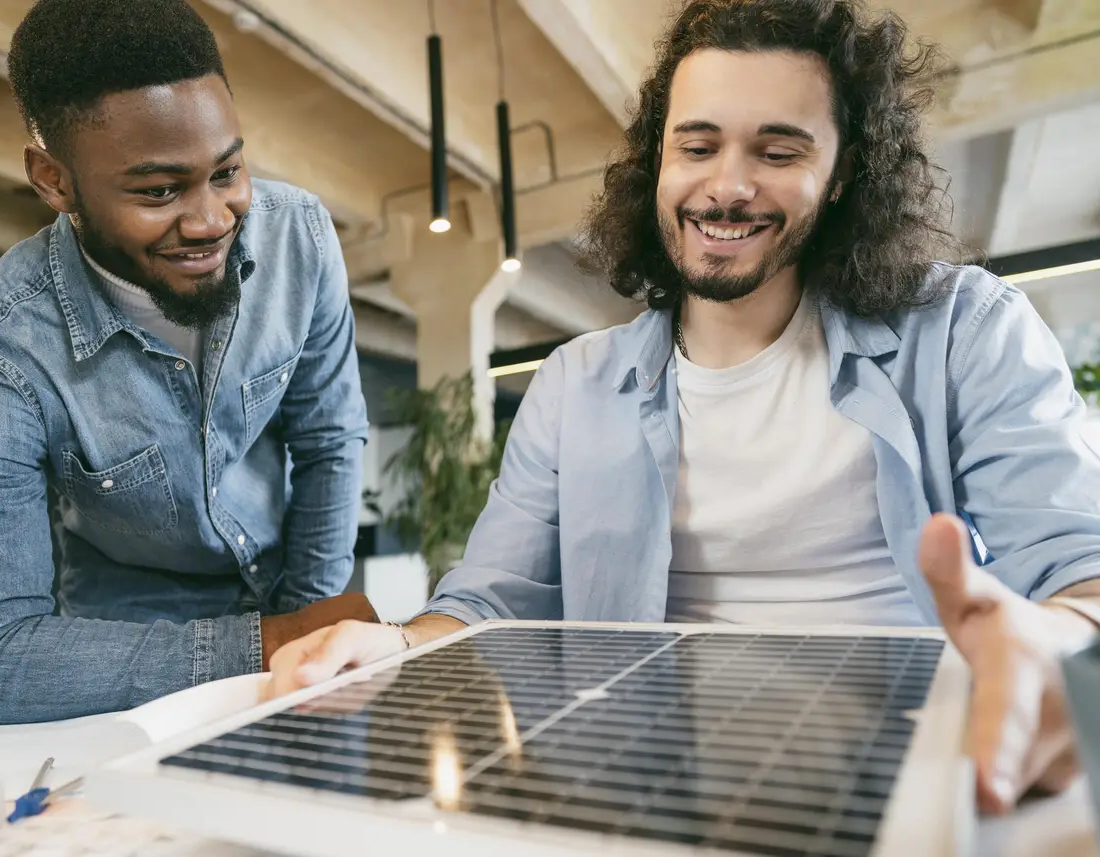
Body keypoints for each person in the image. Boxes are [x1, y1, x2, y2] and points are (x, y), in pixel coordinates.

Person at [265, 0, 1100, 815]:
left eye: (778, 150)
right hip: (648, 787)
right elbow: (490, 599)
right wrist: (401, 641)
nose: (726, 187)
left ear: (844, 171)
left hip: (915, 773)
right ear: (657, 160)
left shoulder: (965, 331)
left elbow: (1079, 570)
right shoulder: (573, 383)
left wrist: (1049, 641)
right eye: (696, 146)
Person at [0, 0, 376, 726]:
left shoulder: (302, 238)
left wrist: (308, 624)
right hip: (123, 649)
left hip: (296, 598)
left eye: (226, 171)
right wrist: (270, 644)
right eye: (159, 191)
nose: (210, 221)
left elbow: (327, 440)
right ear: (54, 180)